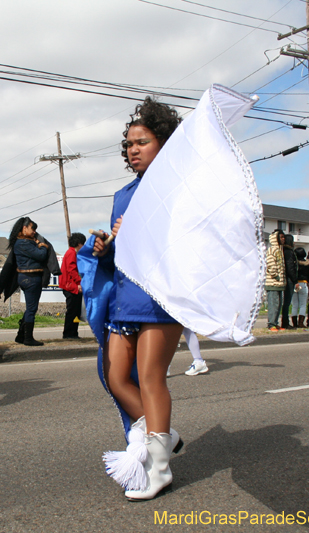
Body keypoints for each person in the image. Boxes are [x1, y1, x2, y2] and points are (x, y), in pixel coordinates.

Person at [92, 97, 185, 500]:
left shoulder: (178, 187)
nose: (132, 149)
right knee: (115, 377)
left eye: (142, 141)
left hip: (160, 296)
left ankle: (159, 466)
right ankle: (165, 433)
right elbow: (122, 250)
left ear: (163, 143)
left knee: (150, 377)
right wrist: (105, 248)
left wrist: (143, 227)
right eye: (129, 143)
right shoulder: (122, 194)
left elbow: (183, 241)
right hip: (125, 297)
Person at [8, 217, 48, 347]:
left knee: (30, 308)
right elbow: (41, 255)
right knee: (32, 308)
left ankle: (21, 335)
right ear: (24, 228)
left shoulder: (21, 242)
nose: (34, 232)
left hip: (26, 277)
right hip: (31, 278)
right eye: (32, 229)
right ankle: (28, 338)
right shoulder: (23, 243)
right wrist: (43, 246)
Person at [60, 232, 86, 339]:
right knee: (72, 311)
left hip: (71, 285)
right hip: (70, 286)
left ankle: (73, 332)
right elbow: (72, 269)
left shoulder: (71, 252)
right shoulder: (71, 253)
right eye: (82, 244)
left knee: (75, 310)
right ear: (78, 243)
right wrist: (79, 282)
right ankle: (68, 333)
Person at [265, 230, 285, 331]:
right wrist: (276, 275)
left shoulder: (280, 250)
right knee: (273, 304)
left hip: (279, 283)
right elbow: (270, 264)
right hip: (272, 282)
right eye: (281, 237)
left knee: (279, 304)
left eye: (283, 237)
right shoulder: (272, 250)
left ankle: (276, 322)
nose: (283, 239)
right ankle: (271, 324)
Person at [280, 234, 297, 329]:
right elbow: (290, 267)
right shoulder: (289, 252)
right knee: (287, 302)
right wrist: (295, 279)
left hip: (285, 278)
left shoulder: (283, 251)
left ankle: (285, 322)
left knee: (285, 302)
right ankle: (285, 322)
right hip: (289, 279)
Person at [291, 246, 309, 328]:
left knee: (294, 304)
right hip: (303, 283)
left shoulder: (293, 264)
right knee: (303, 304)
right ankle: (301, 323)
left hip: (294, 284)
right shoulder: (307, 264)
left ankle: (294, 323)